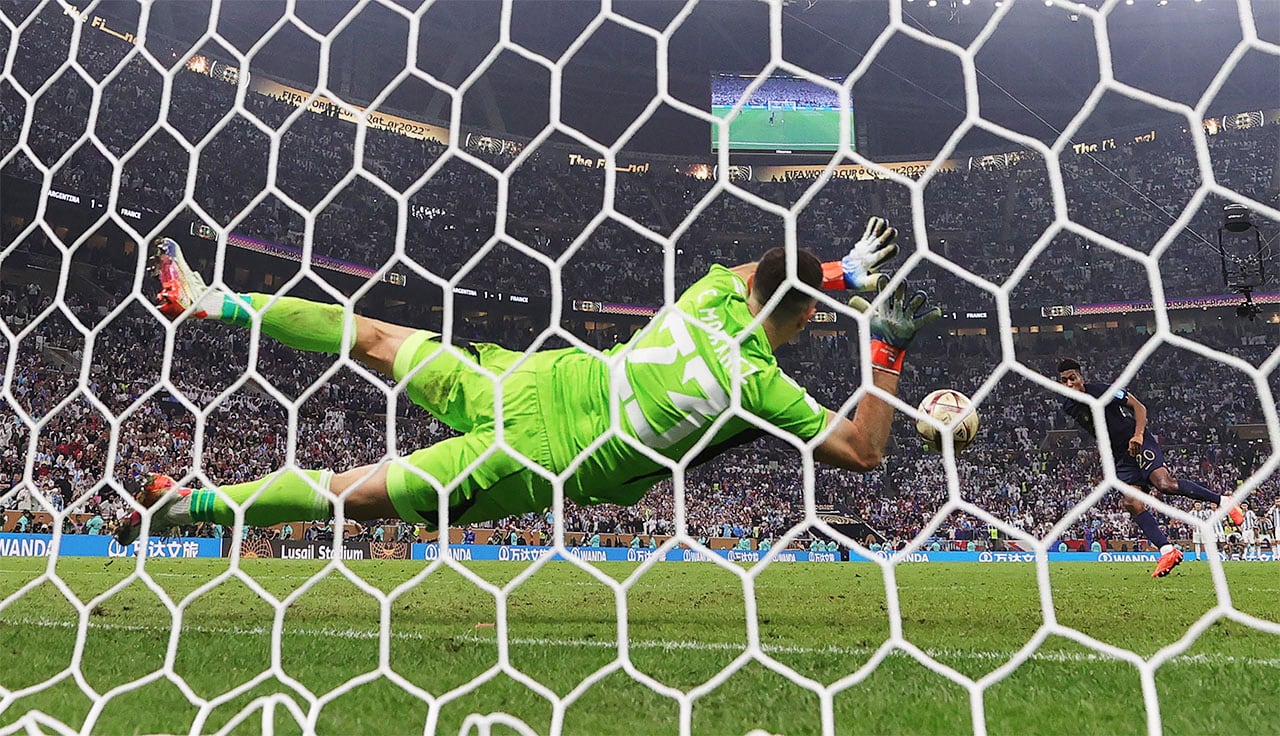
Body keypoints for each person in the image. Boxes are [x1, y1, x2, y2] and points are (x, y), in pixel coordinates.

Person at [115, 218, 936, 546]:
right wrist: (887, 354)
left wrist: (842, 271)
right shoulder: (759, 387)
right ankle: (193, 506)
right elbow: (863, 450)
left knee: (370, 335)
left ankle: (209, 300)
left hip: (531, 380)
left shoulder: (717, 288)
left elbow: (771, 277)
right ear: (801, 318)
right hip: (535, 452)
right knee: (350, 495)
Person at [1056, 358, 1244, 578]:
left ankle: (1224, 501)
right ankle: (1167, 551)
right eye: (1063, 381)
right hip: (1120, 455)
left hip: (1137, 440)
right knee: (1131, 502)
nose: (1069, 384)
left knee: (1165, 484)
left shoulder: (1102, 390)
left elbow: (1138, 406)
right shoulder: (1068, 406)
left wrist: (1137, 435)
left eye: (1072, 378)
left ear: (1081, 377)